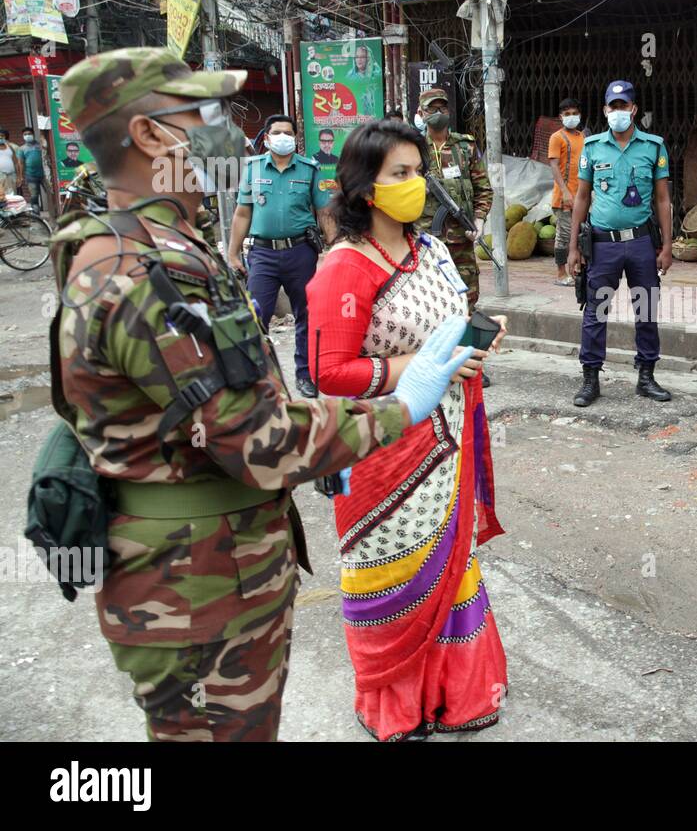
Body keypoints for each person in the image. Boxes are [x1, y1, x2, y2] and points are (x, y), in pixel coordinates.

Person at [49, 47, 473, 741]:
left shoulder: (175, 244)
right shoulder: (140, 271)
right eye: (206, 112)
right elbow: (255, 438)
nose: (233, 133)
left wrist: (326, 434)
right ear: (153, 136)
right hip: (191, 584)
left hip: (219, 564)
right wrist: (396, 410)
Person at [307, 118, 509, 740]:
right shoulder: (344, 268)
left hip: (448, 440)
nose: (417, 183)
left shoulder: (435, 253)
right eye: (401, 173)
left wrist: (475, 342)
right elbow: (328, 372)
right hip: (380, 447)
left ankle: (459, 692)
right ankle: (393, 702)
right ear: (366, 187)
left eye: (419, 171)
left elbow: (449, 331)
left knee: (451, 566)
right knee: (390, 566)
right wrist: (415, 370)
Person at [566, 80, 674, 406]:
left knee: (646, 310)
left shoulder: (653, 146)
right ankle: (590, 379)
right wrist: (572, 248)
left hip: (641, 243)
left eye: (623, 106)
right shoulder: (593, 147)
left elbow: (663, 199)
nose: (618, 112)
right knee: (595, 311)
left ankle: (646, 376)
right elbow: (582, 197)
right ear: (605, 110)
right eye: (612, 107)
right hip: (602, 245)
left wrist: (667, 246)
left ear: (633, 109)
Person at [225, 114, 330, 399]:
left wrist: (333, 251)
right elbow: (242, 212)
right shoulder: (253, 169)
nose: (283, 137)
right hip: (262, 255)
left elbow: (324, 212)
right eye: (277, 132)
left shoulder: (309, 169)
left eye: (288, 132)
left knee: (306, 316)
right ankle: (257, 379)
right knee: (255, 315)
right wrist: (233, 253)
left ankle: (305, 374)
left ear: (295, 138)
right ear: (267, 137)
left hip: (301, 253)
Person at [415, 86, 495, 385]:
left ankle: (471, 363)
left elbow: (484, 188)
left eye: (442, 108)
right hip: (425, 242)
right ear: (421, 113)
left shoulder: (465, 146)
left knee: (467, 301)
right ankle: (430, 360)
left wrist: (479, 218)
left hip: (461, 239)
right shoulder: (412, 148)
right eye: (431, 109)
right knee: (427, 301)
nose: (438, 113)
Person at [547, 97, 584, 286]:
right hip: (564, 198)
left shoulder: (582, 137)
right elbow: (553, 166)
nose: (571, 117)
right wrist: (565, 191)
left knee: (580, 235)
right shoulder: (557, 137)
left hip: (582, 197)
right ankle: (561, 274)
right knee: (565, 236)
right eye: (567, 114)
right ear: (561, 117)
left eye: (574, 113)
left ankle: (577, 270)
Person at [20, 127, 48, 213]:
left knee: (51, 194)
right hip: (31, 176)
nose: (27, 136)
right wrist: (21, 176)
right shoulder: (22, 149)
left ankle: (54, 214)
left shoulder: (40, 145)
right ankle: (37, 217)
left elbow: (46, 152)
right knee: (34, 197)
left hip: (45, 175)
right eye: (25, 134)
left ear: (33, 135)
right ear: (23, 136)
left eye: (29, 134)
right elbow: (21, 164)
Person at [0, 127, 25, 200]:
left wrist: (19, 176)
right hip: (1, 176)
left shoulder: (10, 147)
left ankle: (12, 211)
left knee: (13, 196)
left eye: (2, 136)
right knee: (1, 196)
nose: (0, 137)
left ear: (6, 137)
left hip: (11, 176)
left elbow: (16, 163)